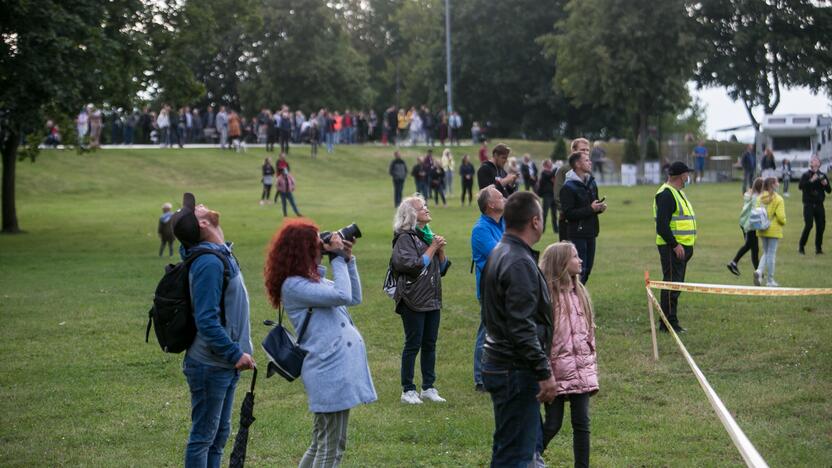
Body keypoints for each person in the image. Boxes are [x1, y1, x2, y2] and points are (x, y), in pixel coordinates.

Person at [263, 219, 376, 468]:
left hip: (334, 368)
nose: (322, 245)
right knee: (330, 449)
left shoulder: (310, 280)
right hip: (328, 370)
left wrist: (346, 257)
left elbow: (353, 297)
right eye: (316, 242)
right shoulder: (294, 285)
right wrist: (335, 256)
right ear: (303, 249)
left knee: (322, 443)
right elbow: (342, 295)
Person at [170, 192, 255, 467]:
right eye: (197, 209)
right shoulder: (208, 263)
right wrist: (234, 354)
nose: (201, 205)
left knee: (218, 436)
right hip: (211, 364)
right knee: (204, 437)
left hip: (224, 363)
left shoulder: (219, 253)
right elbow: (206, 320)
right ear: (203, 224)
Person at [480, 191, 556, 466]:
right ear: (535, 221)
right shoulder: (518, 261)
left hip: (502, 364)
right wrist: (543, 371)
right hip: (514, 368)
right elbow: (521, 326)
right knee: (516, 456)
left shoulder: (501, 252)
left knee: (509, 450)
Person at [539, 242, 598, 468]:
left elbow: (588, 331)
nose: (580, 260)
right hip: (555, 371)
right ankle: (524, 459)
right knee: (553, 424)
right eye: (574, 257)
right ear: (562, 264)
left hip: (580, 369)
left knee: (582, 423)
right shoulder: (546, 297)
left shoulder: (579, 292)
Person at [391, 195, 450, 404]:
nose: (426, 209)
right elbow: (410, 265)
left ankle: (428, 388)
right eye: (421, 207)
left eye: (425, 205)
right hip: (412, 298)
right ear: (411, 214)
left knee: (430, 344)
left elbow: (440, 270)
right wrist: (433, 248)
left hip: (431, 298)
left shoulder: (426, 235)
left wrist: (440, 252)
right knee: (413, 344)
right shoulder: (404, 238)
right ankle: (408, 390)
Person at [653, 161, 697, 333]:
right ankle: (668, 323)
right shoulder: (666, 195)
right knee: (671, 285)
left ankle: (669, 321)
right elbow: (662, 226)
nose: (689, 177)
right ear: (681, 176)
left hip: (682, 248)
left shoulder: (678, 193)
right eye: (687, 174)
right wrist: (675, 245)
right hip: (673, 248)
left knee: (676, 285)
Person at [470, 186, 506, 392]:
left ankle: (500, 370)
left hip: (507, 284)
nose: (505, 199)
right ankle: (480, 378)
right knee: (488, 331)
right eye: (500, 197)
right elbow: (501, 254)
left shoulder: (504, 222)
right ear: (490, 204)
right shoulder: (480, 229)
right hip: (490, 288)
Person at [560, 151, 607, 284]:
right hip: (577, 234)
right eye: (586, 160)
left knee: (587, 270)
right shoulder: (568, 187)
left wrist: (599, 208)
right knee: (579, 271)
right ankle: (573, 300)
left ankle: (578, 299)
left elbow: (593, 206)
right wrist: (590, 209)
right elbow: (568, 214)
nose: (590, 162)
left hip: (591, 232)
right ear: (577, 164)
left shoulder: (591, 182)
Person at [554, 138, 591, 241]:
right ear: (573, 151)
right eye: (582, 150)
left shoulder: (587, 172)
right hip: (568, 221)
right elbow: (557, 195)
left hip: (586, 220)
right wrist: (566, 212)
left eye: (587, 150)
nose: (586, 152)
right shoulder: (563, 170)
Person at [754, 177, 787, 287]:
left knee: (766, 252)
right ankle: (770, 280)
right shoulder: (778, 199)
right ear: (772, 184)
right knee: (771, 254)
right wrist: (784, 222)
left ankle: (759, 271)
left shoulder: (760, 198)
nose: (778, 183)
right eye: (777, 182)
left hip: (761, 228)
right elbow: (781, 217)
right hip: (774, 230)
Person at [727, 178, 763, 277]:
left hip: (744, 224)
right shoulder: (756, 197)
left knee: (754, 248)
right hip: (751, 225)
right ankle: (734, 262)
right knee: (749, 245)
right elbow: (757, 212)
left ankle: (758, 272)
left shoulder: (749, 195)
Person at [798, 155, 830, 255]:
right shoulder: (806, 175)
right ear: (811, 164)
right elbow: (801, 187)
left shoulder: (822, 175)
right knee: (809, 225)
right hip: (809, 204)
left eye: (817, 160)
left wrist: (825, 184)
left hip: (819, 204)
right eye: (813, 160)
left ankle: (818, 248)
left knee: (821, 226)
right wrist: (811, 180)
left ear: (819, 163)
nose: (815, 162)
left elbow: (829, 191)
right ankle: (801, 247)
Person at [537, 159, 558, 235]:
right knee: (544, 213)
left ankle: (556, 229)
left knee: (554, 213)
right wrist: (556, 169)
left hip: (553, 194)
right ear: (546, 164)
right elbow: (550, 176)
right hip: (547, 195)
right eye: (550, 163)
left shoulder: (551, 173)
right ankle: (542, 229)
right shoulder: (544, 173)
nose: (551, 164)